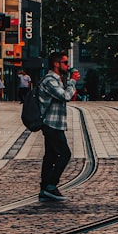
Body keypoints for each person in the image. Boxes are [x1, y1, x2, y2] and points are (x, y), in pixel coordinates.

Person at [37, 51, 79, 201]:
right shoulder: (50, 80)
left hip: (55, 123)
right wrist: (72, 82)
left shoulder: (58, 79)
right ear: (56, 64)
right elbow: (65, 96)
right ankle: (50, 185)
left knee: (50, 156)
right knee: (64, 154)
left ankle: (45, 189)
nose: (68, 66)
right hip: (51, 123)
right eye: (65, 63)